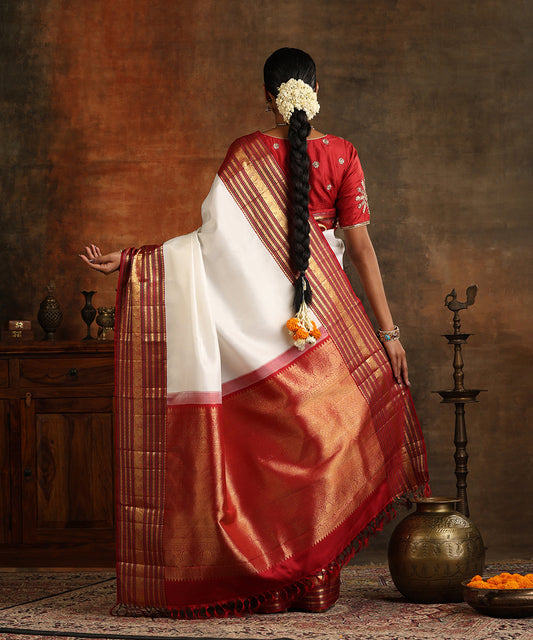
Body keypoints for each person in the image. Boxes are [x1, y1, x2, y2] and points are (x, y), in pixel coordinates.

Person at [81, 47, 428, 618]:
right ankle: (315, 577)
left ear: (268, 97)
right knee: (326, 440)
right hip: (324, 318)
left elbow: (208, 248)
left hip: (261, 327)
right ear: (317, 89)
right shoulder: (342, 154)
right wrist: (389, 335)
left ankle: (276, 578)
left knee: (268, 450)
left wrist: (132, 259)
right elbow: (362, 250)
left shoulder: (245, 153)